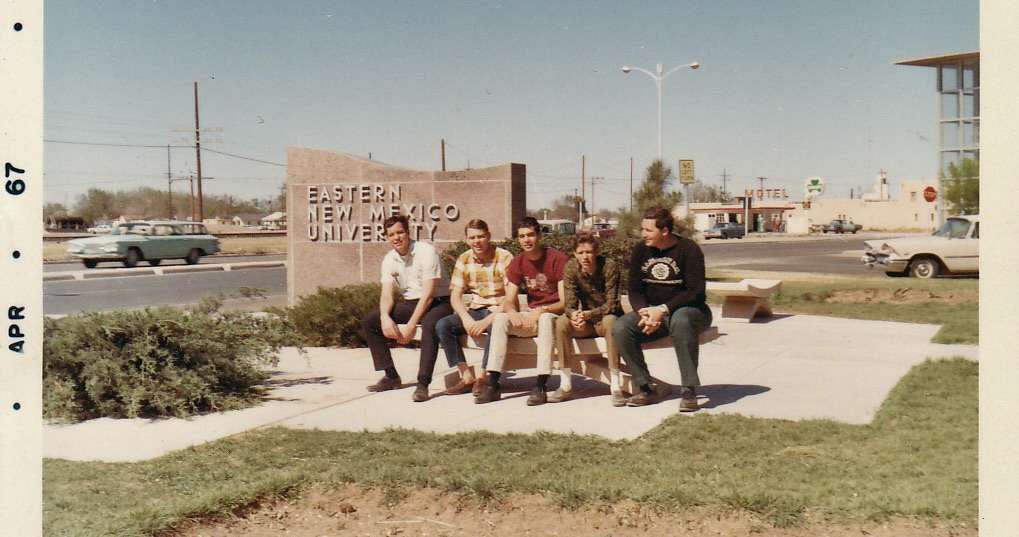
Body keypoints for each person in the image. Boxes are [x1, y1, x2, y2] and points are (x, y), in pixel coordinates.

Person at [612, 206, 712, 412]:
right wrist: (644, 312)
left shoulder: (688, 249)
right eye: (642, 229)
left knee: (681, 320)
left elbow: (696, 292)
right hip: (652, 313)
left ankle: (689, 390)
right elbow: (634, 290)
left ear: (664, 231)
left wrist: (663, 309)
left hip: (691, 311)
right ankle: (645, 388)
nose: (643, 234)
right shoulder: (641, 250)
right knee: (621, 327)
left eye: (648, 230)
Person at [361, 214, 455, 402]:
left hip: (439, 302)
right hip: (412, 303)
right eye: (391, 235)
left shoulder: (427, 252)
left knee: (429, 324)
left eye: (400, 232)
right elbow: (387, 294)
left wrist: (411, 325)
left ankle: (423, 383)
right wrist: (385, 317)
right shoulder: (389, 259)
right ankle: (391, 376)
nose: (396, 238)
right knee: (370, 319)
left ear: (408, 232)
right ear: (387, 237)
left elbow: (428, 295)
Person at [477, 216, 568, 405]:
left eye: (531, 235)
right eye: (522, 236)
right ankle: (492, 383)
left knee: (544, 320)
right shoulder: (518, 262)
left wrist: (541, 310)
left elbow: (564, 302)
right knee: (501, 318)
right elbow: (509, 300)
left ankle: (541, 385)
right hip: (532, 316)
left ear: (540, 236)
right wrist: (512, 313)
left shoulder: (557, 259)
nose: (526, 240)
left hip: (553, 315)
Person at [435, 219, 514, 394]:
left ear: (489, 237)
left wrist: (486, 322)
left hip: (499, 312)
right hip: (476, 311)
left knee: (496, 326)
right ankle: (466, 377)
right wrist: (467, 319)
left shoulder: (504, 257)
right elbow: (455, 297)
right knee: (443, 325)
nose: (476, 241)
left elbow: (510, 298)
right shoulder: (463, 259)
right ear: (467, 240)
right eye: (472, 238)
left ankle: (482, 377)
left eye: (481, 237)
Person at [550, 232, 624, 405]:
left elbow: (612, 304)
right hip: (586, 321)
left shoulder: (608, 266)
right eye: (581, 253)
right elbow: (569, 303)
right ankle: (566, 384)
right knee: (561, 322)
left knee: (611, 321)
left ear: (596, 252)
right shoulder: (571, 268)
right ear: (575, 253)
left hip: (605, 319)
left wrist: (589, 314)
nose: (585, 257)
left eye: (589, 252)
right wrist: (574, 315)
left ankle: (615, 386)